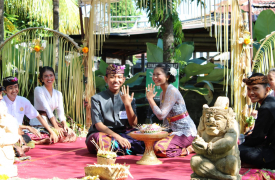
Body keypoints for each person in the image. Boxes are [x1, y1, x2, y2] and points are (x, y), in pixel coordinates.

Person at [86, 64, 144, 155]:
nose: (116, 80)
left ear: (123, 79)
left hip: (124, 133)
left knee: (143, 137)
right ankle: (124, 147)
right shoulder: (96, 99)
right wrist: (118, 138)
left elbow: (134, 124)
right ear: (106, 79)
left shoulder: (128, 98)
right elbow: (99, 125)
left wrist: (128, 105)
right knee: (99, 140)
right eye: (112, 77)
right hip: (103, 134)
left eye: (119, 77)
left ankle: (119, 148)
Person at [146, 64, 197, 158]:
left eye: (158, 74)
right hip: (171, 132)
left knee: (159, 149)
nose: (154, 77)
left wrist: (150, 99)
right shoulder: (162, 93)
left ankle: (190, 148)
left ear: (167, 76)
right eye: (153, 74)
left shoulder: (172, 91)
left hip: (185, 132)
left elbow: (161, 115)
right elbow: (165, 118)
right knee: (148, 146)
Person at [3, 76, 58, 147]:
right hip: (7, 131)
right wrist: (27, 127)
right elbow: (6, 124)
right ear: (5, 90)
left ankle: (29, 141)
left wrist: (51, 131)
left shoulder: (23, 100)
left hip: (22, 131)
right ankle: (33, 142)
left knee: (44, 134)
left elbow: (38, 116)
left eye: (16, 87)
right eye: (10, 88)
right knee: (10, 139)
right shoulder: (2, 102)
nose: (14, 90)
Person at [29, 66, 76, 143]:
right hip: (39, 122)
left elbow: (61, 113)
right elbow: (47, 108)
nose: (49, 78)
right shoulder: (38, 89)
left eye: (51, 75)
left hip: (51, 122)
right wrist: (56, 127)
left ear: (54, 77)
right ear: (41, 79)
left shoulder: (58, 93)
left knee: (71, 135)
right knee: (52, 137)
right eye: (46, 76)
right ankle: (39, 140)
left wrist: (65, 125)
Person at [239, 73, 275, 169]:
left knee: (234, 150)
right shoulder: (271, 102)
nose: (251, 93)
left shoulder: (267, 107)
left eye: (255, 88)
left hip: (272, 156)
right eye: (249, 89)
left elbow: (257, 138)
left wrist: (242, 145)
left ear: (267, 89)